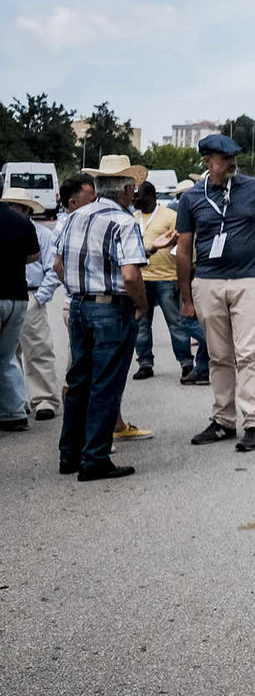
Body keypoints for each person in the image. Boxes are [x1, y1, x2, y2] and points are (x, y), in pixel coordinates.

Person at [175, 133, 255, 453]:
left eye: (234, 158)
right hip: (208, 282)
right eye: (225, 160)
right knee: (219, 355)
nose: (232, 164)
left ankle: (252, 422)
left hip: (248, 280)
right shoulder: (191, 198)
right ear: (208, 161)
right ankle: (223, 419)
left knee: (249, 352)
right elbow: (184, 250)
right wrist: (186, 297)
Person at [51, 157, 150, 480]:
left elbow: (57, 264)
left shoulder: (74, 217)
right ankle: (95, 457)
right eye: (132, 189)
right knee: (105, 384)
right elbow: (131, 273)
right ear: (124, 189)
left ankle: (70, 454)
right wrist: (141, 304)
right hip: (110, 307)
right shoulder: (123, 221)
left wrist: (79, 289)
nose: (133, 194)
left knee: (79, 380)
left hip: (80, 304)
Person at [132, 180, 208, 383]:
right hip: (142, 278)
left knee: (176, 323)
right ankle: (145, 363)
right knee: (141, 324)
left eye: (138, 196)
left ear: (151, 197)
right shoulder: (133, 218)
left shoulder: (170, 216)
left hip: (167, 278)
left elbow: (182, 248)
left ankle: (185, 363)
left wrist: (180, 279)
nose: (135, 199)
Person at [4, 188, 58, 422]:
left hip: (31, 295)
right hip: (15, 294)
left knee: (38, 350)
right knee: (8, 355)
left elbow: (52, 268)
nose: (13, 210)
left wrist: (40, 298)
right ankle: (16, 401)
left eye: (17, 206)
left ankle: (44, 400)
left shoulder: (43, 235)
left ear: (26, 210)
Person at [0, 188, 39, 432]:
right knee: (7, 357)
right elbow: (34, 255)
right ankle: (14, 412)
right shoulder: (22, 221)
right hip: (17, 296)